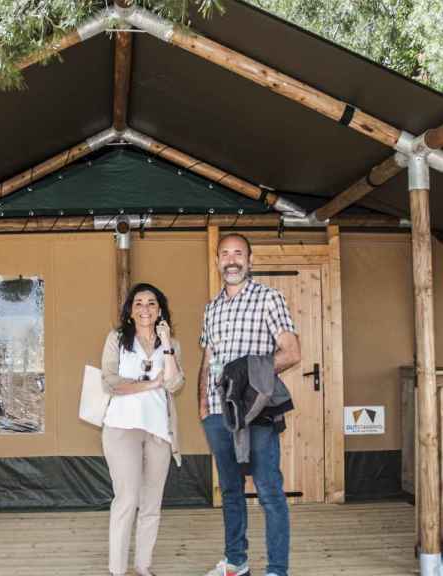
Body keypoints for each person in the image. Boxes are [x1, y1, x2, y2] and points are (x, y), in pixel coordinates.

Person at [199, 234, 301, 576]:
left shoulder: (269, 298)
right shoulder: (211, 308)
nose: (231, 260)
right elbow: (208, 357)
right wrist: (204, 405)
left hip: (256, 410)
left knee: (269, 489)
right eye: (225, 254)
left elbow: (291, 351)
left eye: (238, 253)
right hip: (217, 414)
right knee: (230, 490)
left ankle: (276, 569)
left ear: (250, 259)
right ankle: (236, 562)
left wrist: (248, 370)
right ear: (217, 261)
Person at [101, 283, 185, 576]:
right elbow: (109, 382)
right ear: (130, 310)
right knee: (127, 499)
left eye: (151, 303)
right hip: (121, 427)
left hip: (159, 430)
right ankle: (117, 569)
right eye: (139, 303)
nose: (145, 308)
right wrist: (149, 384)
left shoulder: (170, 343)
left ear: (160, 310)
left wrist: (168, 345)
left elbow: (174, 384)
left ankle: (143, 566)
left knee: (152, 503)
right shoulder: (117, 339)